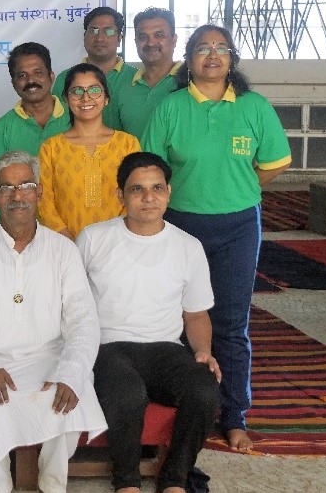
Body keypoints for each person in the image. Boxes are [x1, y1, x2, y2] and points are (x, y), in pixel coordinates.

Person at [142, 24, 291, 452]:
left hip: (238, 227)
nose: (212, 55)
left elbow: (275, 163)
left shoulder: (254, 107)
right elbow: (153, 170)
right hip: (179, 226)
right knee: (174, 320)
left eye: (221, 48)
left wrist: (237, 185)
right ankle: (180, 410)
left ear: (231, 58)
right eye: (202, 48)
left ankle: (234, 414)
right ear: (187, 60)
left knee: (229, 323)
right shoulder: (170, 108)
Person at [0, 151, 106, 493]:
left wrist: (72, 370)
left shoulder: (63, 251)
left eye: (26, 185)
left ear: (39, 193)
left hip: (49, 357)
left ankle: (52, 485)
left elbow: (83, 323)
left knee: (66, 395)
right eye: (7, 188)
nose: (17, 195)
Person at [77, 152, 221, 493]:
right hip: (107, 347)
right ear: (120, 195)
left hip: (165, 349)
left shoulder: (188, 246)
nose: (148, 197)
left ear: (169, 192)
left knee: (205, 390)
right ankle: (127, 483)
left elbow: (196, 313)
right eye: (137, 189)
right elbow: (71, 304)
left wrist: (203, 352)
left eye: (157, 188)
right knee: (127, 394)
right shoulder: (95, 238)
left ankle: (175, 479)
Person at [38, 63, 141, 239]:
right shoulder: (51, 148)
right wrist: (70, 242)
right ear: (66, 99)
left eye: (94, 90)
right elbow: (43, 201)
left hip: (118, 244)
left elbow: (136, 193)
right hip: (64, 246)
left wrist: (112, 239)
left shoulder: (127, 145)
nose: (86, 98)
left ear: (106, 98)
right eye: (77, 91)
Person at [0, 42, 69, 169]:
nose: (31, 81)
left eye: (37, 73)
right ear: (13, 83)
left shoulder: (74, 117)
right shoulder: (2, 129)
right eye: (22, 75)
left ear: (51, 76)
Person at [52, 6, 137, 128]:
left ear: (119, 39)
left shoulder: (136, 79)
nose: (100, 38)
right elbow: (58, 125)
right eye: (94, 31)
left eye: (108, 31)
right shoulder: (65, 78)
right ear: (84, 37)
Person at [109, 7, 183, 138]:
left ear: (174, 40)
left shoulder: (190, 81)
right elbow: (114, 139)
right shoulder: (122, 86)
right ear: (136, 42)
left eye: (159, 35)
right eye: (143, 37)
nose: (151, 43)